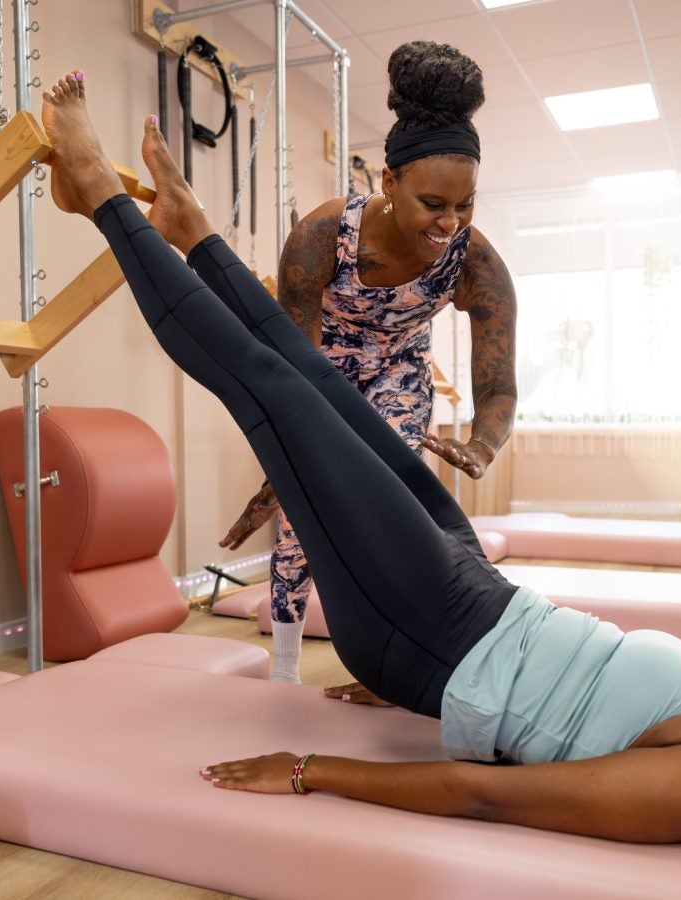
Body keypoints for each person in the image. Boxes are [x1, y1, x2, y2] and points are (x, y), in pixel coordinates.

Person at [41, 71, 681, 847]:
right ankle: (193, 228)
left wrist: (316, 769)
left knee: (266, 391)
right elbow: (561, 715)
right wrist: (424, 699)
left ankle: (100, 192)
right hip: (468, 603)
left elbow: (495, 793)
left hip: (434, 623)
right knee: (313, 381)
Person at [215, 41, 518, 684]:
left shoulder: (477, 265)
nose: (451, 222)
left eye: (465, 205)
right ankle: (287, 666)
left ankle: (401, 662)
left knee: (387, 509)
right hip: (318, 375)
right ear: (388, 183)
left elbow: (499, 388)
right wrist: (281, 471)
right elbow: (288, 366)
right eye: (434, 204)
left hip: (400, 376)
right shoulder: (323, 239)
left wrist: (484, 445)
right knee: (302, 516)